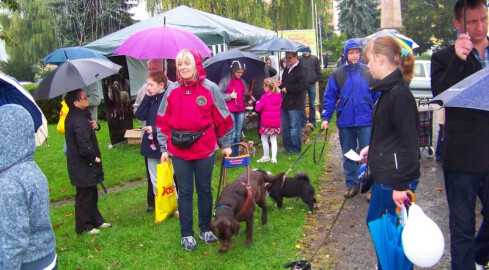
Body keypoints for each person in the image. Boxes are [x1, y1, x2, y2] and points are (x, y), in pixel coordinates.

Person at [430, 0, 489, 268]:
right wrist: (458, 58)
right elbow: (440, 97)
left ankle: (478, 257)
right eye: (473, 22)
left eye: (485, 19)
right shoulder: (444, 57)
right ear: (458, 24)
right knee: (462, 227)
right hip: (462, 156)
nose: (481, 27)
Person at [156, 49, 233, 251]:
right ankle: (186, 234)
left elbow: (223, 118)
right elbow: (162, 120)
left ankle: (205, 228)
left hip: (204, 148)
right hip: (179, 149)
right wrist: (164, 148)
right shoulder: (171, 90)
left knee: (205, 190)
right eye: (179, 64)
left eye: (186, 63)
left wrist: (225, 144)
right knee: (186, 192)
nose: (182, 68)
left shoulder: (210, 88)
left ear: (196, 64)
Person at [359, 36, 420, 270]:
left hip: (394, 178)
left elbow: (409, 145)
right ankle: (386, 265)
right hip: (386, 174)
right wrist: (372, 149)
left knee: (387, 230)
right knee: (383, 228)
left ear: (380, 58)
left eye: (369, 60)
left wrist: (400, 185)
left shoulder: (399, 94)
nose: (368, 66)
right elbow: (389, 133)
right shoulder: (388, 90)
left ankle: (390, 266)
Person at [0, 104, 58, 270]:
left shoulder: (8, 183)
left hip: (28, 263)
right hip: (46, 256)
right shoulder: (31, 168)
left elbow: (13, 243)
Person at [321, 39, 377, 199]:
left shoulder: (368, 71)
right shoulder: (338, 74)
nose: (354, 56)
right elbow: (330, 96)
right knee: (349, 154)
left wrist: (376, 109)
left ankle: (369, 187)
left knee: (367, 155)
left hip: (366, 119)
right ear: (346, 54)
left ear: (360, 54)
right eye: (351, 53)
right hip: (346, 121)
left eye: (357, 52)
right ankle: (351, 184)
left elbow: (378, 93)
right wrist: (326, 117)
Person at [64, 89, 111, 235]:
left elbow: (89, 129)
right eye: (85, 97)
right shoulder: (76, 119)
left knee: (91, 191)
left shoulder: (80, 116)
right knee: (84, 195)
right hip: (82, 164)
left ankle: (96, 219)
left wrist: (94, 125)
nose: (88, 99)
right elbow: (83, 143)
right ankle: (84, 225)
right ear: (76, 102)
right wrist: (93, 158)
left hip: (84, 163)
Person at [132, 58, 165, 212]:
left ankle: (173, 203)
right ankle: (157, 204)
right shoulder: (147, 94)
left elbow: (171, 121)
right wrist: (147, 97)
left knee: (168, 174)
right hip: (150, 143)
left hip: (164, 142)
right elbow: (140, 114)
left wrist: (156, 129)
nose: (148, 87)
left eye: (151, 85)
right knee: (153, 176)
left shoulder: (168, 94)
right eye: (149, 69)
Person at [278, 51, 307, 153]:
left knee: (294, 127)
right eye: (286, 58)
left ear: (296, 57)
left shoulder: (302, 69)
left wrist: (288, 89)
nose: (287, 60)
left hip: (295, 103)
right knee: (285, 127)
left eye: (289, 58)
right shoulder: (286, 69)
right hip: (285, 102)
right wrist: (280, 85)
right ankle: (287, 147)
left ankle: (295, 148)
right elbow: (284, 85)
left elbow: (302, 86)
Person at [218, 60, 249, 156]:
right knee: (232, 134)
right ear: (233, 70)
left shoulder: (242, 81)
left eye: (242, 72)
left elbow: (245, 93)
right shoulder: (225, 80)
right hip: (230, 110)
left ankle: (236, 155)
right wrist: (229, 96)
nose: (240, 74)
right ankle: (230, 155)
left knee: (238, 134)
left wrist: (247, 98)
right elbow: (217, 95)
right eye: (238, 72)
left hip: (241, 109)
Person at [255, 78, 282, 164]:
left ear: (267, 87)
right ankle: (274, 158)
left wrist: (258, 103)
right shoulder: (279, 96)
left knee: (264, 138)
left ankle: (266, 156)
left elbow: (258, 109)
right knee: (273, 139)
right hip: (276, 122)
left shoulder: (264, 97)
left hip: (266, 122)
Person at [299, 51, 321, 127]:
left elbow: (318, 70)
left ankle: (312, 121)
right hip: (302, 85)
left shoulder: (314, 58)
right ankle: (304, 122)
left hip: (312, 84)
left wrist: (316, 79)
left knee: (312, 103)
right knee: (302, 104)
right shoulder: (299, 59)